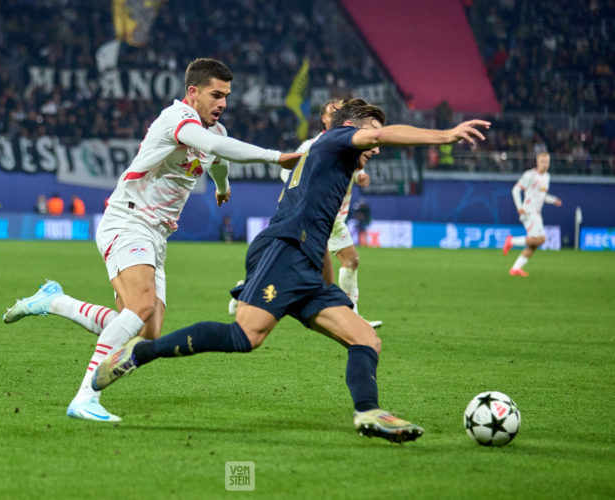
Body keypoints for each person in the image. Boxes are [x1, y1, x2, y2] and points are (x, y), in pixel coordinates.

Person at [92, 99, 490, 442]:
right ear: (353, 128)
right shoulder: (334, 140)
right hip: (283, 250)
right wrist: (445, 135)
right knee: (245, 336)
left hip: (307, 262)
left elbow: (319, 226)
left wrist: (328, 286)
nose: (377, 144)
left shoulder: (336, 164)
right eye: (374, 134)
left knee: (365, 338)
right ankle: (141, 352)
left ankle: (368, 412)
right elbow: (370, 140)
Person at [2, 58, 301, 422]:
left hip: (157, 234)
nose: (223, 103)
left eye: (226, 96)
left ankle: (55, 301)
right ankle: (85, 397)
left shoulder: (214, 133)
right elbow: (207, 143)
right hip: (128, 221)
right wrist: (276, 157)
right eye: (216, 94)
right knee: (141, 306)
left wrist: (222, 185)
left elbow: (217, 154)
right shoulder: (177, 120)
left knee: (145, 332)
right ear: (193, 93)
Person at [229, 99, 382, 328]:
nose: (335, 116)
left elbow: (353, 168)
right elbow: (289, 175)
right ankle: (351, 318)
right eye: (332, 112)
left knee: (309, 265)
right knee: (345, 260)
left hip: (332, 214)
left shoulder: (350, 143)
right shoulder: (312, 145)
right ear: (324, 118)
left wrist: (360, 176)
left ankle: (248, 287)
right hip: (317, 213)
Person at [502, 151, 562, 276]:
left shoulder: (547, 177)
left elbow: (543, 195)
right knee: (539, 240)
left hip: (537, 213)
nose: (545, 165)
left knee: (535, 243)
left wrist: (554, 200)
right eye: (542, 162)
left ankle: (515, 269)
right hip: (528, 211)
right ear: (537, 162)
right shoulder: (529, 175)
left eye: (547, 162)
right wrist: (519, 207)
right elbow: (515, 190)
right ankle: (511, 241)